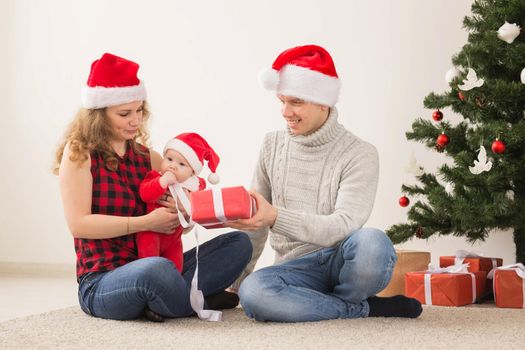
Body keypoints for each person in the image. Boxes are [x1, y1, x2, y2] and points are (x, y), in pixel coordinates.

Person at [227, 45, 422, 322]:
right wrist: (236, 284)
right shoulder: (272, 145)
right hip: (293, 270)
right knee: (254, 293)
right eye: (281, 101)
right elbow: (254, 221)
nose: (285, 111)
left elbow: (344, 224)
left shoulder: (360, 153)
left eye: (295, 102)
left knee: (373, 243)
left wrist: (276, 216)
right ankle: (363, 308)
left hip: (342, 261)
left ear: (323, 102)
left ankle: (331, 302)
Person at [54, 53, 252, 322]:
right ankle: (192, 300)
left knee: (238, 243)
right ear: (98, 116)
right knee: (153, 270)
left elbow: (177, 220)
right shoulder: (80, 154)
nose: (135, 120)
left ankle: (169, 300)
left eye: (139, 111)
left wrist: (182, 212)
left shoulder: (149, 157)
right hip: (104, 280)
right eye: (124, 114)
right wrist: (146, 222)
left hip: (160, 268)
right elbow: (79, 225)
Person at [137, 132, 220, 273]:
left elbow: (202, 211)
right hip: (150, 233)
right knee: (149, 268)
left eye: (182, 164)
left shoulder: (193, 186)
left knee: (175, 270)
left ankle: (175, 287)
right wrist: (162, 182)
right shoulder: (156, 177)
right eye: (169, 159)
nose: (173, 166)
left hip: (174, 238)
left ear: (192, 173)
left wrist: (190, 206)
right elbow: (145, 194)